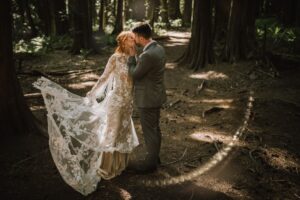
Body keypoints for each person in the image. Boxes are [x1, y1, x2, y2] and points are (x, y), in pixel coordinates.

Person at [33, 31, 139, 195]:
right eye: (130, 38)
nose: (133, 41)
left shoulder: (134, 58)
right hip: (116, 101)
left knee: (122, 131)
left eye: (134, 38)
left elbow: (136, 78)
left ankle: (119, 165)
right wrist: (93, 92)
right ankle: (106, 167)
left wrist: (134, 58)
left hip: (127, 102)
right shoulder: (115, 58)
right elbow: (104, 77)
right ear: (123, 41)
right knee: (112, 130)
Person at [127, 22, 167, 173]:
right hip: (156, 95)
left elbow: (135, 74)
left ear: (140, 36)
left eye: (135, 36)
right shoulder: (159, 48)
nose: (134, 40)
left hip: (148, 98)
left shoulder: (147, 54)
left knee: (150, 130)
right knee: (155, 129)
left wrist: (131, 57)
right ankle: (155, 157)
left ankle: (150, 164)